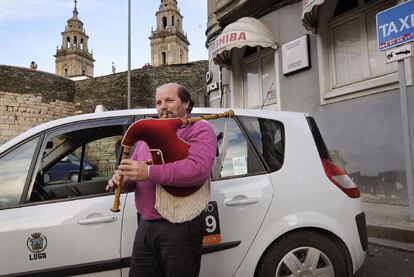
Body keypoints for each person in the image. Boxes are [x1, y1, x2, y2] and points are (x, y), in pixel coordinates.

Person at [107, 83, 217, 277]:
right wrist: (123, 181)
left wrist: (148, 172)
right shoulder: (147, 133)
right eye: (159, 102)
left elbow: (197, 169)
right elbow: (135, 173)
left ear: (186, 103)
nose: (162, 106)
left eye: (169, 100)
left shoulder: (199, 129)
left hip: (181, 225)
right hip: (146, 224)